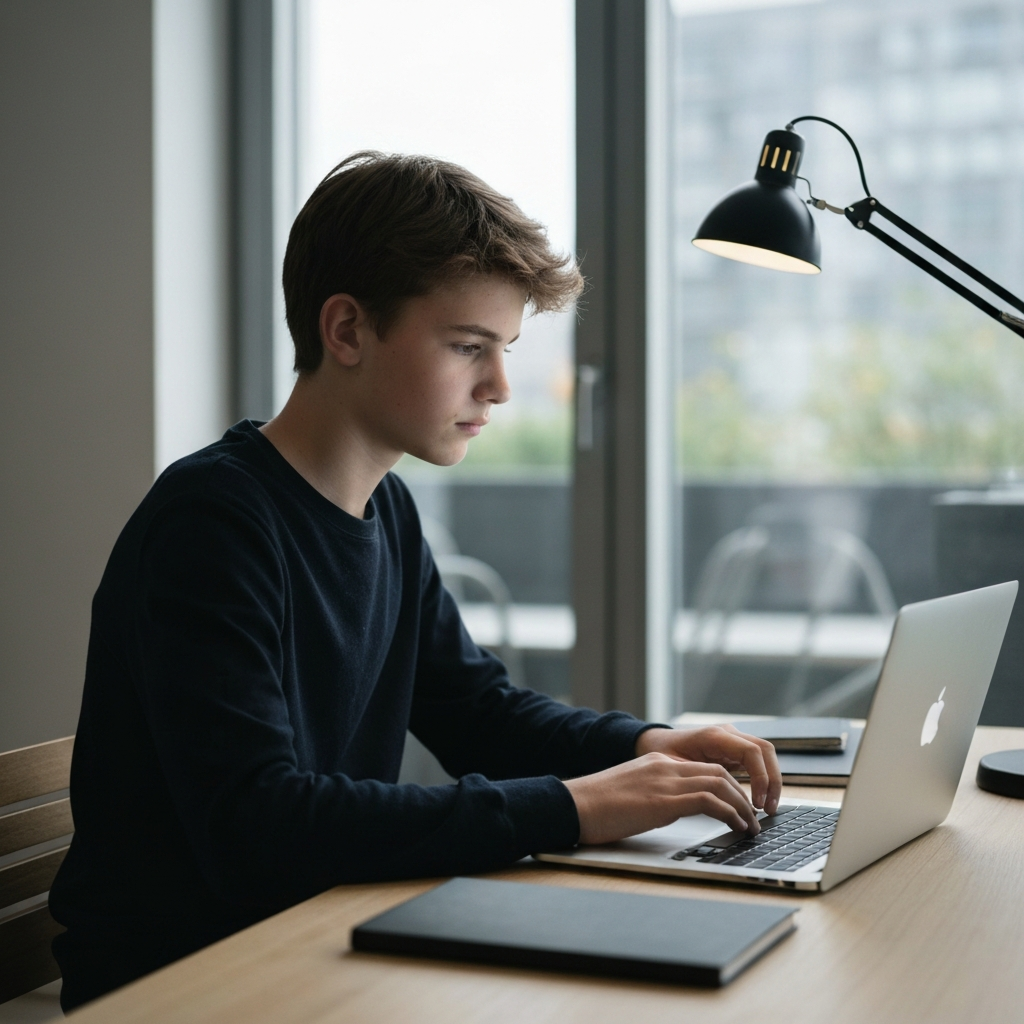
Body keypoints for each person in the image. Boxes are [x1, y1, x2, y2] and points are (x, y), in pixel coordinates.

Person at [49, 152, 781, 1011]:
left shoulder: (385, 511)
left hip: (321, 935)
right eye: (469, 347)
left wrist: (645, 747)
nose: (501, 387)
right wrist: (575, 806)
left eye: (503, 350)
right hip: (189, 982)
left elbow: (477, 712)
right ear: (349, 330)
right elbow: (259, 825)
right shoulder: (211, 523)